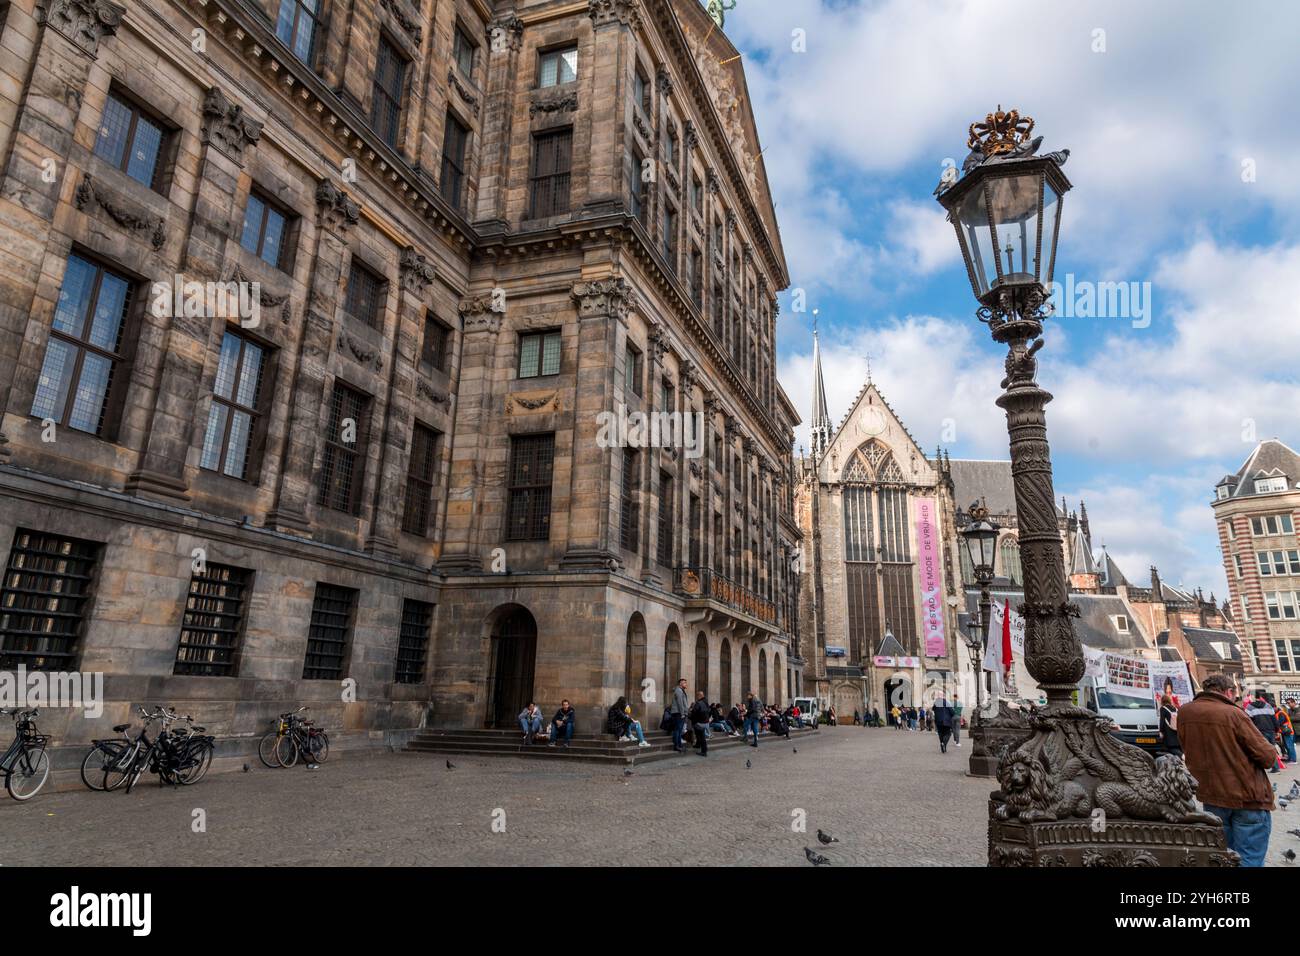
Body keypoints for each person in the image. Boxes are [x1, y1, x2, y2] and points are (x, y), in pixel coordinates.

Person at [1177, 674, 1277, 867]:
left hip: (1212, 796)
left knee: (1223, 857)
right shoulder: (1233, 713)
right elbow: (1268, 758)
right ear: (1229, 692)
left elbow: (1186, 748)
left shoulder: (1185, 712)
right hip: (1247, 797)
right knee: (1249, 858)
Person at [1244, 690, 1282, 772]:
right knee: (1272, 748)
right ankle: (1275, 767)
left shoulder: (1249, 707)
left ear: (1253, 697)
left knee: (1260, 749)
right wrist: (1277, 730)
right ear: (1260, 697)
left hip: (1258, 731)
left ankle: (1261, 767)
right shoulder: (1268, 706)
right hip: (1270, 730)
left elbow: (1247, 721)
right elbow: (1274, 719)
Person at [1158, 690, 1181, 758]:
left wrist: (1161, 731)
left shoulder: (1163, 708)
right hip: (1176, 731)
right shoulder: (1175, 709)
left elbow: (1162, 721)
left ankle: (1182, 756)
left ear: (1162, 701)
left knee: (1171, 748)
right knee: (1177, 747)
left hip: (1168, 731)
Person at [689, 691, 712, 757]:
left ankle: (704, 751)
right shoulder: (706, 702)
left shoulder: (698, 703)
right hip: (705, 722)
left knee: (701, 737)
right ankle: (697, 745)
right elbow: (709, 711)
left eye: (697, 696)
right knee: (699, 735)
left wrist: (690, 716)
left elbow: (694, 712)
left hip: (699, 722)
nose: (696, 697)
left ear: (699, 696)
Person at [670, 678, 690, 753]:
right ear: (680, 683)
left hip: (680, 713)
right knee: (677, 730)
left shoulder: (681, 691)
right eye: (684, 683)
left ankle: (679, 745)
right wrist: (682, 713)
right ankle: (677, 746)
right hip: (678, 713)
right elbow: (680, 703)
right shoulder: (678, 690)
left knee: (679, 730)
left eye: (686, 682)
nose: (686, 684)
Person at [1275, 699, 1296, 766]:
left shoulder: (1281, 713)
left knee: (1290, 746)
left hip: (1288, 732)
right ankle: (1290, 758)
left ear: (1275, 707)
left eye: (1288, 703)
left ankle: (1293, 760)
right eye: (1287, 703)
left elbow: (1280, 722)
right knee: (1288, 746)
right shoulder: (1279, 713)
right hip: (1285, 732)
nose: (1288, 704)